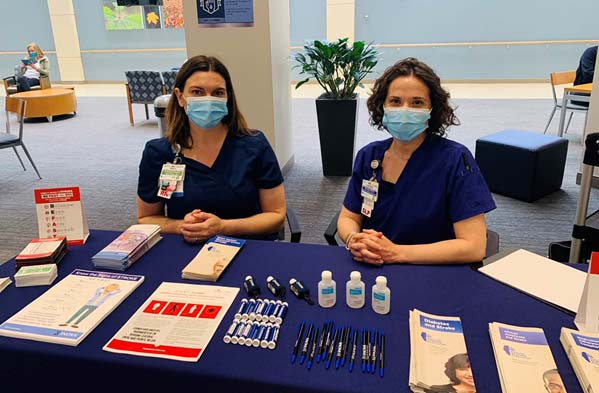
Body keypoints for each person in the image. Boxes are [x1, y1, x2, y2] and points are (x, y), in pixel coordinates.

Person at [337, 58, 496, 265]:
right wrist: (354, 239)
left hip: (431, 272)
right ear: (382, 106)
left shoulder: (455, 160)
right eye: (395, 101)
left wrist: (395, 253)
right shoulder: (369, 156)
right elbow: (348, 218)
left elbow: (473, 246)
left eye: (417, 103)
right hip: (372, 266)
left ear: (432, 109)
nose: (405, 110)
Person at [137, 55, 286, 243]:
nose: (208, 100)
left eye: (218, 93)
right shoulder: (158, 154)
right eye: (197, 92)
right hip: (185, 247)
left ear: (227, 98)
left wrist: (222, 227)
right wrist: (182, 226)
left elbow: (276, 215)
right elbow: (146, 218)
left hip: (247, 248)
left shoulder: (254, 145)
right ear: (180, 97)